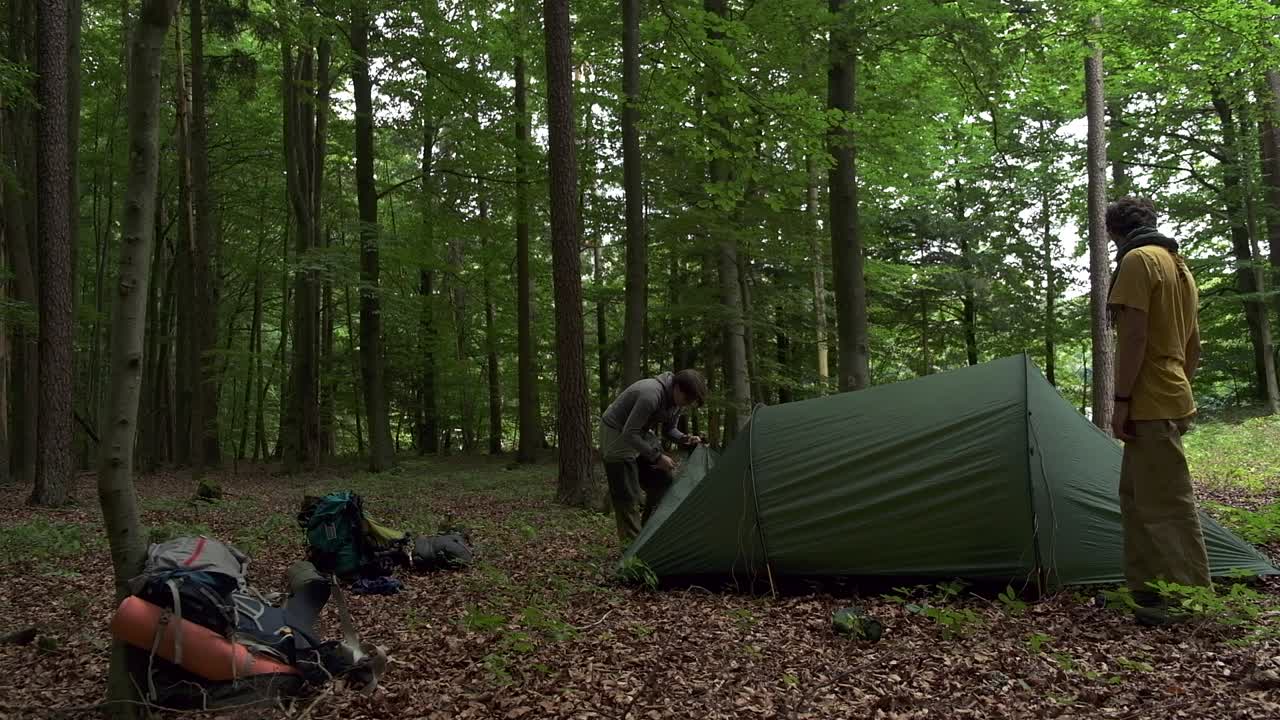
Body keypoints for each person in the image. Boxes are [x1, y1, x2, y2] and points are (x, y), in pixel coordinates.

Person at [1105, 196, 1210, 625]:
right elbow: (1193, 343)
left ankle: (1188, 600)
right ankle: (1148, 591)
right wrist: (1179, 384)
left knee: (1166, 503)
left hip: (1149, 400)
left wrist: (1122, 400)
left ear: (1115, 232)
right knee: (1135, 498)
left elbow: (1133, 338)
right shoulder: (1178, 265)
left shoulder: (1138, 262)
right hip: (1169, 390)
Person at [600, 369, 707, 544]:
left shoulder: (676, 403)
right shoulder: (650, 394)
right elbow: (629, 433)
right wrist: (657, 458)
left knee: (663, 480)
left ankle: (647, 537)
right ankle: (632, 554)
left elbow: (669, 430)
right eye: (687, 399)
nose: (686, 405)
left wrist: (685, 439)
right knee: (628, 496)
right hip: (616, 432)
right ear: (678, 388)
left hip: (638, 432)